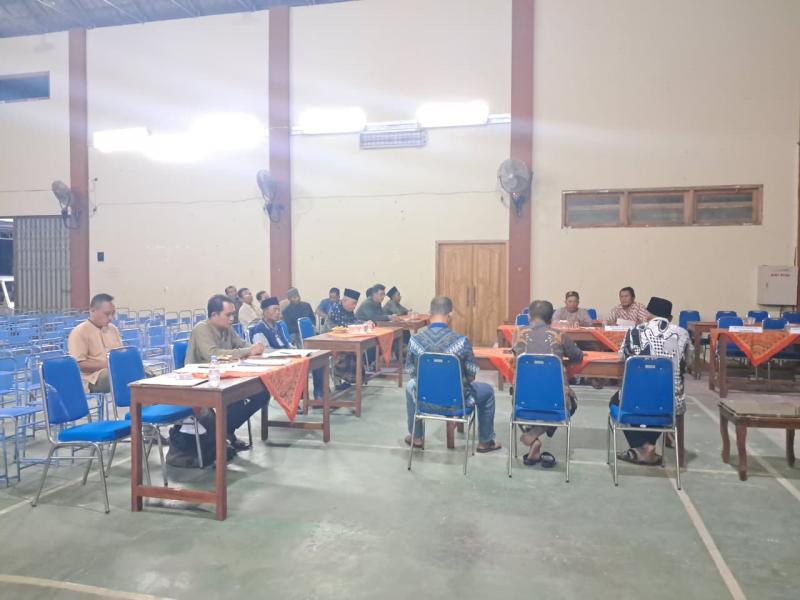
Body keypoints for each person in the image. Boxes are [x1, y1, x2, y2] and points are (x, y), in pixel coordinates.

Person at [404, 296, 501, 452]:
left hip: (424, 401)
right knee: (488, 391)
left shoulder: (414, 341)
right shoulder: (461, 341)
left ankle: (416, 437)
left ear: (429, 313)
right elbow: (471, 375)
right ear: (451, 315)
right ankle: (485, 441)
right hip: (458, 402)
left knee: (410, 386)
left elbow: (411, 372)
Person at [612, 296, 692, 466]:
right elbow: (690, 362)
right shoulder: (682, 333)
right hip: (672, 401)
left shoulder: (634, 331)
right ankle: (649, 447)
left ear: (647, 314)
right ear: (670, 318)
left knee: (618, 401)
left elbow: (622, 357)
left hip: (637, 399)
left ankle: (643, 446)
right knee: (659, 406)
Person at [186, 294, 268, 451]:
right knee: (235, 397)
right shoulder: (201, 329)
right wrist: (248, 351)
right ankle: (222, 436)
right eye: (228, 315)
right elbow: (213, 354)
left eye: (233, 315)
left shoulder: (227, 328)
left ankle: (225, 433)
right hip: (202, 381)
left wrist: (255, 348)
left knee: (262, 392)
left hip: (226, 377)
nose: (232, 319)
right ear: (214, 315)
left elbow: (241, 344)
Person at [512, 300, 583, 467]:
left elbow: (517, 354)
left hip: (523, 399)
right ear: (551, 318)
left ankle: (533, 438)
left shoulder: (518, 334)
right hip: (555, 400)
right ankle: (536, 432)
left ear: (529, 316)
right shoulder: (559, 335)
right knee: (571, 403)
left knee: (518, 402)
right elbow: (577, 356)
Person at [250, 297, 325, 399]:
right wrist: (285, 353)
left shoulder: (278, 326)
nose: (278, 312)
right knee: (298, 366)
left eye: (278, 310)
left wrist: (294, 350)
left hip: (287, 356)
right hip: (275, 360)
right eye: (274, 310)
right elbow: (265, 351)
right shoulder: (259, 329)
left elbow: (286, 342)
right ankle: (298, 396)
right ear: (265, 312)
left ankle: (319, 395)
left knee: (318, 360)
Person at [68, 293, 123, 393]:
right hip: (92, 379)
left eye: (113, 314)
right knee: (122, 374)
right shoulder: (79, 332)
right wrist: (109, 364)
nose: (111, 318)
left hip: (113, 370)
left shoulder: (113, 329)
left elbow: (120, 354)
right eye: (107, 314)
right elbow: (79, 364)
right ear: (92, 310)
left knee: (143, 372)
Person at [323, 288, 365, 384]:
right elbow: (344, 325)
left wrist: (365, 323)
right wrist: (361, 324)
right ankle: (340, 374)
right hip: (328, 339)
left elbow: (354, 320)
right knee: (352, 349)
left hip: (342, 338)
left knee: (357, 348)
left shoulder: (348, 309)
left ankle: (353, 377)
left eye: (355, 304)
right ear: (344, 300)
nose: (354, 306)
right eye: (353, 303)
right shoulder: (336, 308)